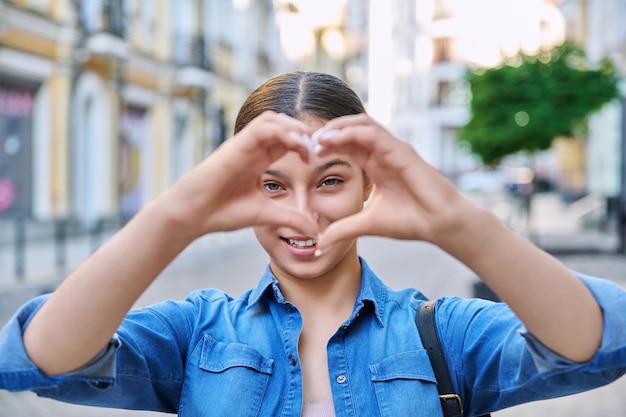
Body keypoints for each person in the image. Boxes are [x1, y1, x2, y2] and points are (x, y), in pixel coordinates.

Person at [1, 70, 626, 417]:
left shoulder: (444, 333)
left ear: (366, 186)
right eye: (272, 185)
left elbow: (600, 344)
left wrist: (459, 224)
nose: (303, 213)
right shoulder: (198, 333)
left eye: (329, 181)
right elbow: (34, 360)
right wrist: (175, 218)